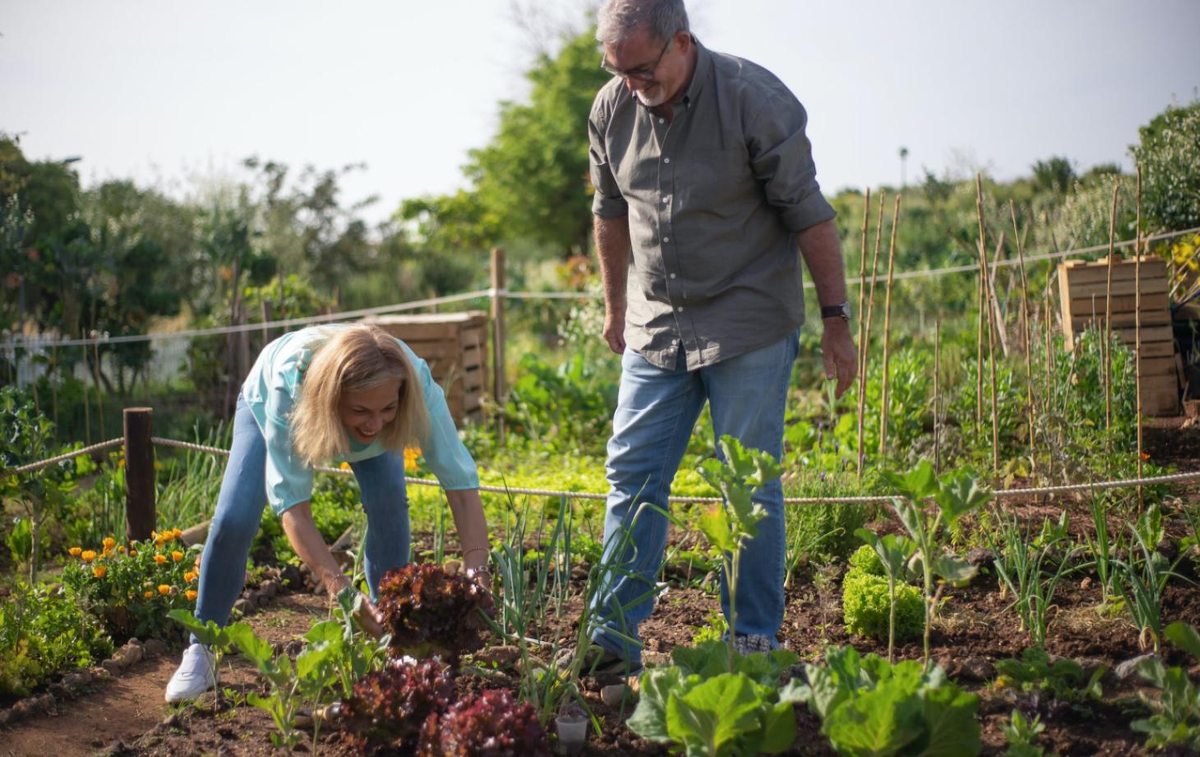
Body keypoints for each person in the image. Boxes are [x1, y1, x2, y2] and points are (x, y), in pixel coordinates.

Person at [582, 0, 858, 674]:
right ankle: (612, 641)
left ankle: (753, 642)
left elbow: (810, 215)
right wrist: (616, 308)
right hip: (657, 323)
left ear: (681, 42)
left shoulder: (753, 100)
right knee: (631, 476)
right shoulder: (612, 107)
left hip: (747, 322)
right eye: (616, 71)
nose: (630, 85)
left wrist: (836, 320)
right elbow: (609, 212)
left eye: (641, 70)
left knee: (747, 485)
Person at [165, 323, 490, 702]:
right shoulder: (290, 390)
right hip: (273, 401)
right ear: (335, 399)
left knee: (389, 508)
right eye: (361, 410)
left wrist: (477, 571)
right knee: (234, 521)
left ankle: (395, 639)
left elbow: (462, 486)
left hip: (359, 409)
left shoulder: (412, 383)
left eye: (388, 407)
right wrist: (342, 591)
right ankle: (201, 647)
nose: (375, 423)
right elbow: (293, 508)